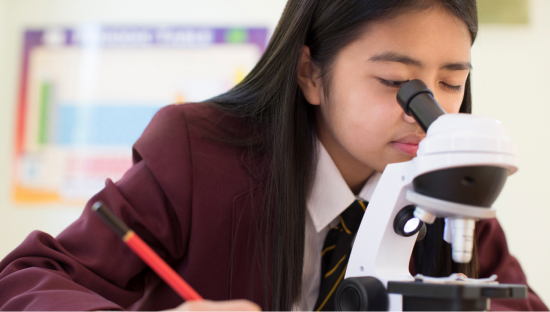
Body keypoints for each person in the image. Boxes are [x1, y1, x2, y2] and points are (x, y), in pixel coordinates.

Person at [0, 0, 547, 311]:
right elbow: (24, 279)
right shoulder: (196, 154)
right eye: (396, 82)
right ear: (310, 72)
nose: (427, 113)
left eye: (451, 83)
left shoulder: (444, 181)